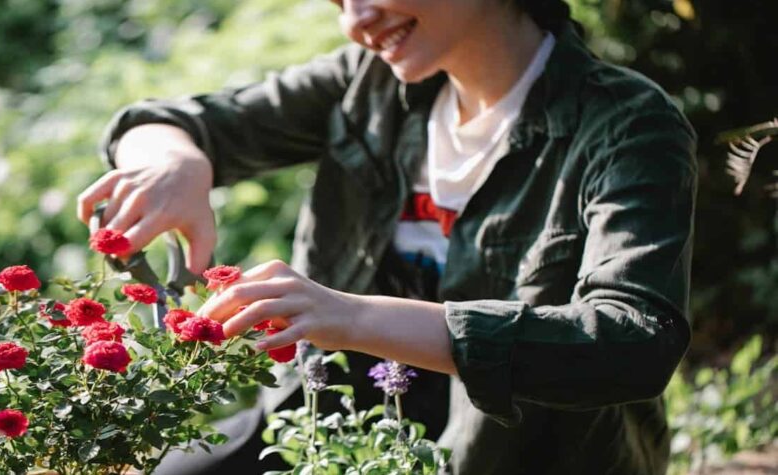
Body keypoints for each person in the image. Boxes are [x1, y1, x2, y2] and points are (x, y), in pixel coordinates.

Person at [77, 0, 697, 473]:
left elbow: (630, 343)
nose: (357, 21)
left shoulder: (625, 123)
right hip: (322, 429)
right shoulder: (365, 81)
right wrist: (175, 164)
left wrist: (349, 317)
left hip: (511, 455)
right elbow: (167, 122)